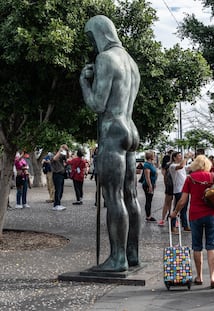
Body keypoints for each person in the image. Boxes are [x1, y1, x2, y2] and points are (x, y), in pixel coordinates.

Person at [79, 15, 141, 272]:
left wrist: (84, 81)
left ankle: (117, 259)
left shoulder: (105, 58)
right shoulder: (131, 62)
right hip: (131, 129)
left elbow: (97, 104)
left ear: (99, 35)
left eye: (92, 38)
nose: (93, 45)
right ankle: (132, 253)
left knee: (113, 196)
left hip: (113, 130)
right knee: (131, 195)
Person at [170, 155, 214, 289]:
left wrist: (175, 212)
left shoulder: (190, 179)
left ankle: (199, 276)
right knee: (211, 246)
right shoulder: (213, 177)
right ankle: (212, 277)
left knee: (197, 246)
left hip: (195, 215)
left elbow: (182, 201)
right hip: (212, 215)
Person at [169, 151, 191, 232]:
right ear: (174, 157)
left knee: (184, 209)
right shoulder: (172, 166)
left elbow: (188, 167)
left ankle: (185, 225)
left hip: (185, 189)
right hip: (178, 190)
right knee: (177, 208)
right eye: (179, 156)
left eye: (181, 156)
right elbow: (181, 166)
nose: (180, 157)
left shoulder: (181, 165)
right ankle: (173, 225)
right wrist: (186, 157)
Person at [51, 144, 69, 211]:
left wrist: (67, 150)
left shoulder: (61, 156)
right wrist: (60, 150)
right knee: (58, 190)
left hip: (62, 174)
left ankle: (58, 203)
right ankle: (56, 205)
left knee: (61, 190)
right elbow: (55, 159)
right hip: (56, 174)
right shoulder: (52, 156)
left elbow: (67, 157)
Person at [158, 150, 174, 226]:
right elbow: (165, 174)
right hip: (171, 185)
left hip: (172, 185)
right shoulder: (169, 164)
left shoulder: (170, 163)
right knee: (168, 202)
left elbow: (164, 173)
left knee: (169, 202)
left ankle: (168, 217)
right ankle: (165, 218)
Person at [142, 151, 157, 222]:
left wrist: (154, 184)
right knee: (148, 200)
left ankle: (149, 215)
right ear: (151, 156)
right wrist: (150, 186)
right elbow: (147, 177)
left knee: (150, 200)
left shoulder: (151, 164)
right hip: (147, 185)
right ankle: (148, 216)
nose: (154, 156)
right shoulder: (147, 165)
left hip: (151, 184)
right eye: (153, 155)